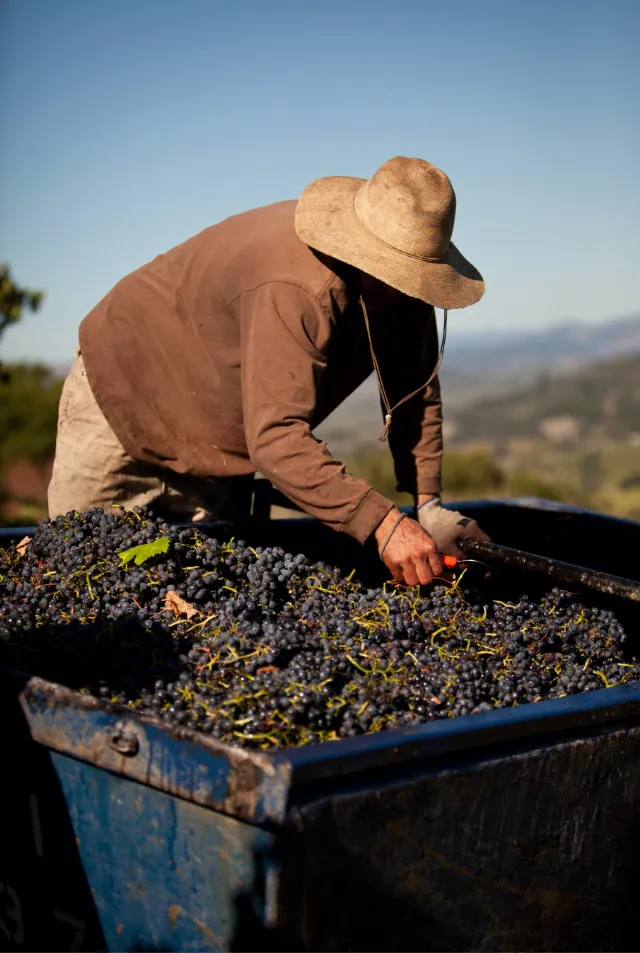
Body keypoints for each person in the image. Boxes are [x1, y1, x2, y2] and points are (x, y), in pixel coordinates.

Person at [48, 155, 490, 585]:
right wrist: (385, 524)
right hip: (126, 399)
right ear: (367, 255)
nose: (409, 291)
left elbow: (414, 395)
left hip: (219, 442)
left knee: (206, 595)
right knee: (85, 582)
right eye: (400, 275)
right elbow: (277, 439)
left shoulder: (403, 292)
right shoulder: (295, 285)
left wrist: (428, 505)